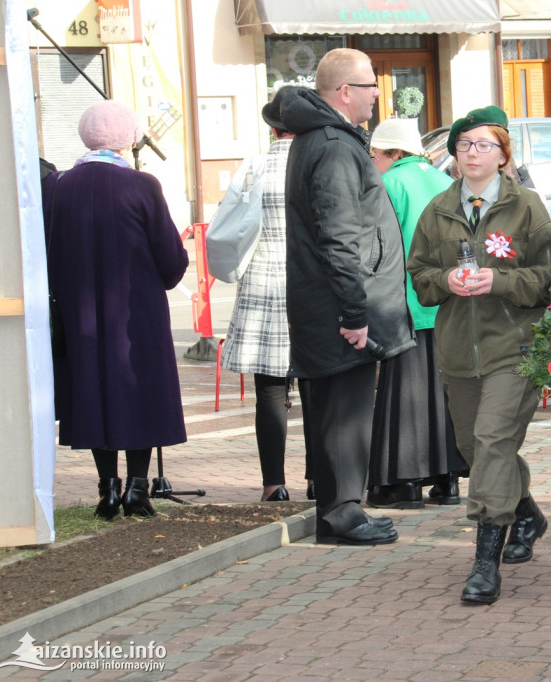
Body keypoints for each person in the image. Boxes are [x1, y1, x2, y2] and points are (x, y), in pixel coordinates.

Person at [407, 105, 551, 604]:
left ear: (503, 153)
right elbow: (420, 274)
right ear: (453, 152)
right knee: (476, 450)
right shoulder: (438, 210)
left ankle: (484, 562)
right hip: (457, 350)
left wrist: (503, 281)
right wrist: (443, 281)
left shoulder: (527, 207)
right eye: (465, 144)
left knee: (492, 440)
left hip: (514, 347)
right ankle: (528, 513)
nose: (473, 153)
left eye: (484, 144)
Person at [281, 49, 415, 546]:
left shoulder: (322, 138)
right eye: (370, 86)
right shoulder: (334, 145)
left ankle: (341, 510)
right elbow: (340, 236)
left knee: (339, 410)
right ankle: (341, 515)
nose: (378, 95)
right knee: (344, 412)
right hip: (340, 309)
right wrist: (356, 312)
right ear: (344, 93)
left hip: (329, 302)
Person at [43, 100, 189, 520]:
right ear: (129, 139)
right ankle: (138, 489)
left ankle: (107, 489)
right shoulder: (143, 186)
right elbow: (171, 260)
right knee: (139, 392)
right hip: (136, 313)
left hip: (79, 313)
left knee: (92, 392)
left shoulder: (56, 185)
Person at [365, 118, 468, 510]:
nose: (374, 162)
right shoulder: (446, 182)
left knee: (405, 396)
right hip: (448, 301)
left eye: (375, 154)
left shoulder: (389, 184)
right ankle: (448, 480)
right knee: (446, 394)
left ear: (391, 153)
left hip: (404, 303)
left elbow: (378, 248)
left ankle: (404, 482)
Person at [220, 86, 312, 503]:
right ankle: (319, 477)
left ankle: (274, 483)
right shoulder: (317, 164)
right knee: (316, 386)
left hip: (260, 282)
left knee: (270, 389)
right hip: (309, 282)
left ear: (273, 128)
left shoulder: (253, 168)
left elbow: (231, 226)